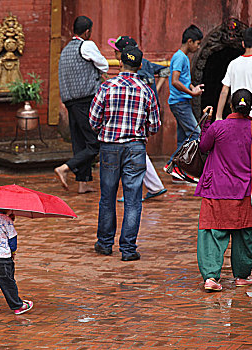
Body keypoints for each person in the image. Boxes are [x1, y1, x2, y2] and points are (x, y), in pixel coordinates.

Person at [195, 89, 252, 292]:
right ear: (250, 108)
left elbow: (203, 147)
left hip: (217, 190)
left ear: (231, 105)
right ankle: (242, 275)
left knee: (213, 232)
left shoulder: (218, 127)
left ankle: (211, 278)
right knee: (246, 235)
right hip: (248, 192)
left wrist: (206, 124)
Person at [90, 46, 160, 261]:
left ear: (120, 62)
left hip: (109, 147)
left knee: (107, 197)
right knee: (133, 200)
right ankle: (128, 249)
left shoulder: (107, 86)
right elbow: (155, 125)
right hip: (136, 148)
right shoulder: (146, 89)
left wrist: (107, 128)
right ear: (139, 66)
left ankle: (104, 243)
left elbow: (93, 120)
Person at [108, 36, 168, 202]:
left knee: (132, 151)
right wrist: (155, 90)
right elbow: (164, 71)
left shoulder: (132, 73)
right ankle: (155, 186)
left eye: (116, 52)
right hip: (147, 112)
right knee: (138, 150)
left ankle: (140, 190)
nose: (114, 54)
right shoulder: (145, 63)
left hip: (136, 114)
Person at [55, 16, 109, 194]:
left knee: (80, 142)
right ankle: (65, 168)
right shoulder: (87, 45)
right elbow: (104, 65)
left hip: (70, 102)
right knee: (94, 143)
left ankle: (82, 184)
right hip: (86, 100)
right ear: (87, 32)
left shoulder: (65, 50)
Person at [164, 25, 204, 184]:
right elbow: (174, 81)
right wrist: (192, 93)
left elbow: (181, 81)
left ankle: (178, 174)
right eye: (197, 43)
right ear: (189, 41)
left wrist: (192, 88)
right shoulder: (180, 57)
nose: (198, 46)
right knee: (196, 133)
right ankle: (172, 164)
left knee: (183, 139)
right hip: (180, 103)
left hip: (181, 101)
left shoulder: (181, 57)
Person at [215, 27, 252, 134]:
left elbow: (224, 91)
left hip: (235, 116)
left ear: (243, 44)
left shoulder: (233, 64)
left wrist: (218, 116)